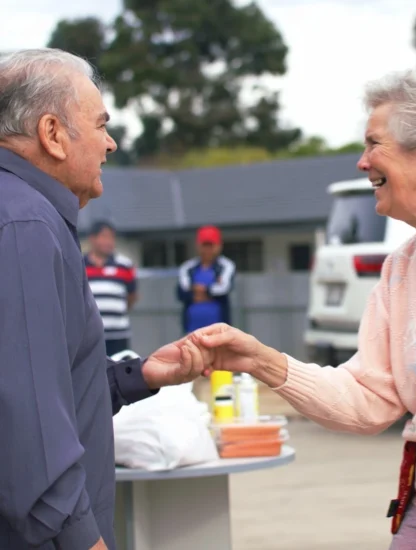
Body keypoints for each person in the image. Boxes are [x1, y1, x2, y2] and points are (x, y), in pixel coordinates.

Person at [184, 68, 416, 549]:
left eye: (373, 144)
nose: (361, 162)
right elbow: (369, 399)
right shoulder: (401, 266)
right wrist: (259, 361)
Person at [0, 48, 205, 550]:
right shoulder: (24, 225)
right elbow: (27, 423)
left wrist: (139, 375)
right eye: (100, 125)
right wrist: (79, 538)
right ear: (52, 134)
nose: (110, 144)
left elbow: (49, 388)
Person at [84, 220, 138, 357]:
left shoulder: (124, 265)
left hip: (118, 333)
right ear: (92, 238)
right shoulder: (79, 264)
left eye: (111, 237)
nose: (108, 241)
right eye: (104, 236)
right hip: (89, 334)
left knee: (119, 373)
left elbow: (132, 296)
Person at [176, 225, 236, 334]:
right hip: (191, 329)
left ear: (218, 246)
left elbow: (224, 289)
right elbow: (182, 292)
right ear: (198, 246)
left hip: (219, 331)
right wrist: (210, 292)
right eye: (204, 245)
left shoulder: (225, 266)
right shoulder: (188, 268)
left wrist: (200, 290)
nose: (207, 250)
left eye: (211, 245)